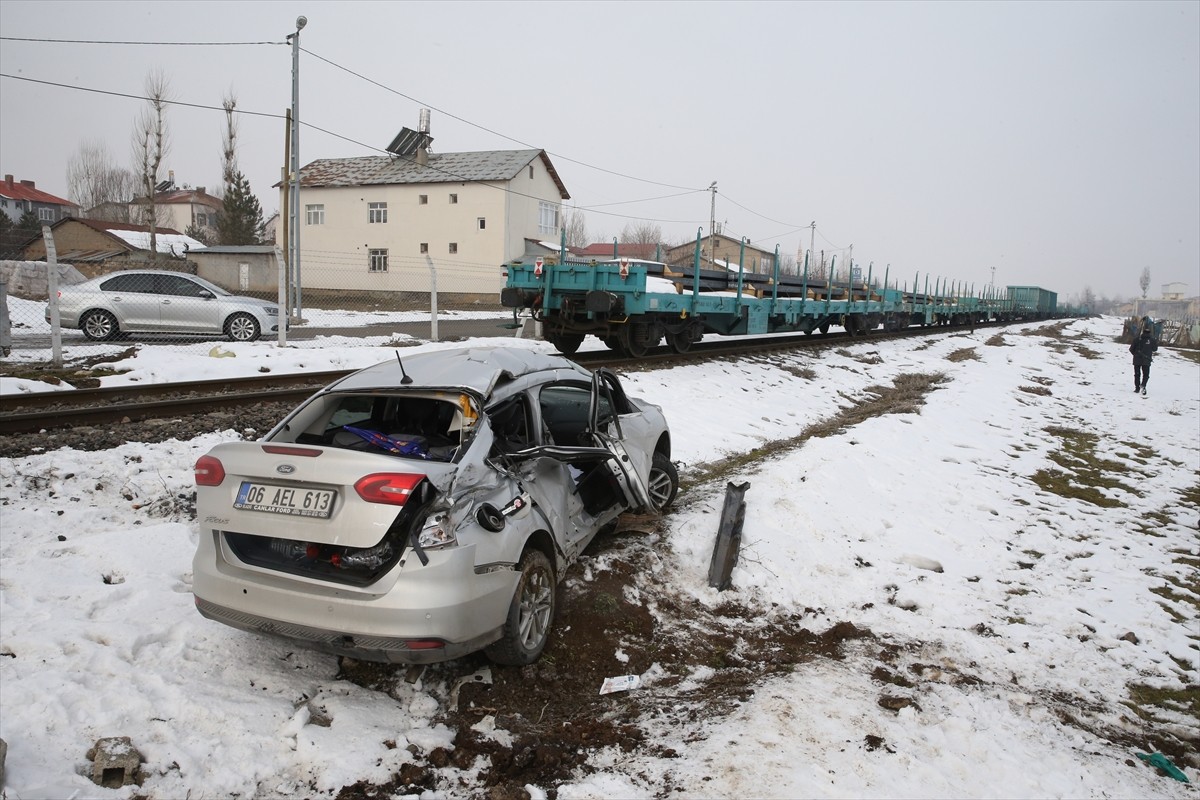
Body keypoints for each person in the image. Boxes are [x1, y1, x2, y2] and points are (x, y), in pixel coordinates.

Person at [1129, 317, 1158, 396]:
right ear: (1149, 333)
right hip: (1146, 360)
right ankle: (1143, 385)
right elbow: (1155, 349)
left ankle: (1137, 388)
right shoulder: (1152, 340)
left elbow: (1131, 349)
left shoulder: (1137, 339)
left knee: (1137, 374)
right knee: (1146, 374)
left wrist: (1135, 355)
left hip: (1137, 360)